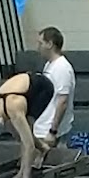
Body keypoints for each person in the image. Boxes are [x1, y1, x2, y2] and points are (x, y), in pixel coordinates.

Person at [0, 72, 55, 178]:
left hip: (42, 88)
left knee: (26, 130)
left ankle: (21, 173)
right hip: (20, 90)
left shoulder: (14, 109)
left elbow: (29, 146)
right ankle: (43, 147)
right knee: (19, 134)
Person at [34, 27, 75, 155]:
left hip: (50, 130)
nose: (38, 47)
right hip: (42, 126)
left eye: (41, 43)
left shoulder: (62, 67)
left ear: (50, 44)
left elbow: (62, 101)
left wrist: (53, 131)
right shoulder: (49, 65)